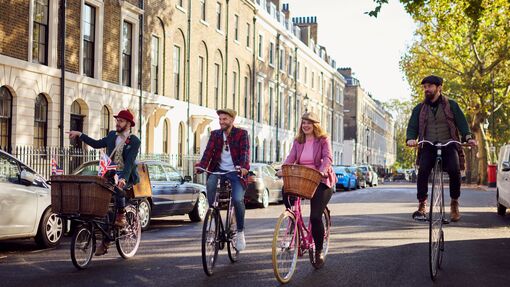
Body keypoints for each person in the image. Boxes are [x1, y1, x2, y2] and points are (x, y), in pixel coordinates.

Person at [68, 109, 140, 255]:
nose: (117, 123)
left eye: (120, 121)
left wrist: (123, 178)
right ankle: (98, 223)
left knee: (118, 190)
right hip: (111, 172)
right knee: (99, 195)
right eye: (117, 120)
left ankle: (120, 215)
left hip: (125, 175)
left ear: (128, 124)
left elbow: (130, 163)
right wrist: (80, 135)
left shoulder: (134, 141)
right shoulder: (112, 135)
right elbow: (96, 143)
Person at [406, 75, 477, 222]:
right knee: (423, 170)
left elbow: (463, 124)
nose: (427, 89)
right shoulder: (419, 108)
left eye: (430, 86)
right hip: (428, 144)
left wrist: (468, 137)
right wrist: (411, 139)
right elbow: (412, 127)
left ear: (439, 88)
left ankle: (454, 202)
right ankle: (422, 204)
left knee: (454, 170)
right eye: (425, 87)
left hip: (448, 143)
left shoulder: (452, 105)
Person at [277, 112, 336, 269]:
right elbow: (291, 157)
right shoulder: (298, 141)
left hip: (321, 180)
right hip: (303, 178)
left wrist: (322, 170)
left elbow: (327, 158)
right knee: (286, 191)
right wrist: (283, 169)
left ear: (315, 125)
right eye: (303, 123)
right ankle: (292, 218)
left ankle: (318, 250)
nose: (305, 125)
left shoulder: (323, 140)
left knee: (315, 217)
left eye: (309, 123)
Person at [195, 108, 250, 251]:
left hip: (236, 172)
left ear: (232, 120)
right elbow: (208, 152)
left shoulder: (241, 134)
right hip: (218, 170)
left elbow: (245, 152)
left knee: (237, 199)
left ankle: (240, 232)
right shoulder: (215, 134)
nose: (222, 122)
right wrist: (201, 166)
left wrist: (244, 166)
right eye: (220, 119)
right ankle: (212, 213)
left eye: (224, 119)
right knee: (211, 183)